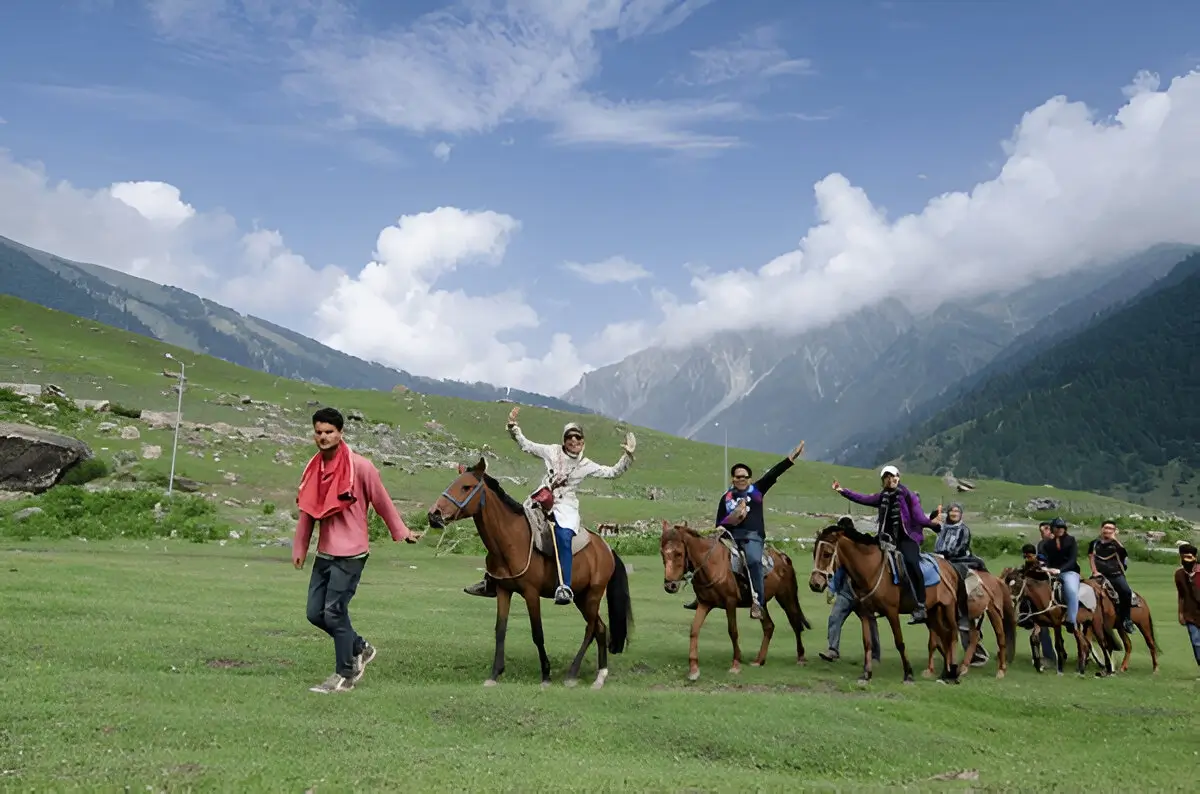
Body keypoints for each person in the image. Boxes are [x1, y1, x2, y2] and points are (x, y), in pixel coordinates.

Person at [292, 407, 422, 694]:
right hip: (325, 552)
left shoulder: (361, 467)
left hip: (352, 553)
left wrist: (402, 531)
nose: (323, 437)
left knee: (335, 613)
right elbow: (307, 512)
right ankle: (360, 647)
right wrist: (300, 547)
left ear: (340, 433)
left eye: (329, 432)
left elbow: (382, 501)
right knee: (315, 613)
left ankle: (345, 673)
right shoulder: (314, 469)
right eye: (319, 432)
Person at [462, 406, 635, 605]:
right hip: (540, 501)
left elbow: (612, 472)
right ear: (564, 440)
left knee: (563, 535)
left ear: (583, 441)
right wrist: (513, 428)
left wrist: (627, 457)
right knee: (508, 528)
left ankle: (565, 587)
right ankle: (490, 580)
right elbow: (527, 445)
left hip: (565, 506)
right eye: (570, 437)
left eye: (577, 438)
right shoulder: (552, 451)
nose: (573, 441)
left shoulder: (586, 464)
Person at [682, 443, 806, 620]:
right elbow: (720, 523)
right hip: (730, 537)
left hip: (752, 537)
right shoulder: (727, 498)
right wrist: (732, 517)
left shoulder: (756, 491)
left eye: (745, 477)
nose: (741, 479)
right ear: (732, 478)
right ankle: (701, 595)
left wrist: (790, 459)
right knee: (702, 555)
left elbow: (772, 474)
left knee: (754, 560)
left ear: (749, 478)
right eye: (738, 476)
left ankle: (758, 602)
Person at [832, 465, 942, 624]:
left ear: (898, 477)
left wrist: (932, 524)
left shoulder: (908, 496)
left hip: (907, 539)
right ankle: (875, 599)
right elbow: (862, 498)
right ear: (883, 481)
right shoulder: (881, 497)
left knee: (912, 563)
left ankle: (920, 605)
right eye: (887, 478)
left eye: (893, 477)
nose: (890, 480)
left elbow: (918, 518)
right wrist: (842, 491)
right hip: (886, 539)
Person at [932, 502, 988, 664]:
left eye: (957, 511)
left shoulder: (964, 529)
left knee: (961, 580)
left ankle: (964, 610)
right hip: (941, 559)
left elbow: (961, 547)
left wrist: (945, 555)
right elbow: (931, 522)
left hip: (959, 560)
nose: (954, 513)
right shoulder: (943, 528)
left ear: (961, 514)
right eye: (952, 511)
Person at [819, 564, 881, 663]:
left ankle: (874, 655)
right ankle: (832, 650)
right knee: (835, 616)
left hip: (864, 594)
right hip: (846, 593)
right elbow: (840, 570)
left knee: (870, 621)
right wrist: (832, 588)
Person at [1087, 520, 1134, 634]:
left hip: (1115, 575)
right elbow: (1091, 557)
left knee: (1126, 592)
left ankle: (1126, 619)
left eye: (1111, 529)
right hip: (1099, 575)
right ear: (1101, 529)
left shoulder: (1116, 544)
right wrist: (1094, 571)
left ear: (1114, 531)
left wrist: (1115, 540)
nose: (1107, 530)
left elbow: (1123, 554)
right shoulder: (1094, 543)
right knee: (1086, 590)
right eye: (1106, 528)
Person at [1040, 517, 1081, 633]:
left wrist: (1060, 570)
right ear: (1053, 529)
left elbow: (1072, 560)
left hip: (1069, 571)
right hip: (1051, 572)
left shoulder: (1071, 540)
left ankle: (1071, 620)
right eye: (1057, 527)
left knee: (1071, 590)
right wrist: (1045, 568)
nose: (1060, 529)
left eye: (1062, 527)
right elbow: (1045, 558)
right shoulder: (1047, 544)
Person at [1175, 543, 1200, 673]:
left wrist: (1193, 578)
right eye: (1183, 557)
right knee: (1196, 643)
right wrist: (1180, 613)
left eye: (1189, 557)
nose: (1186, 560)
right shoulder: (1179, 574)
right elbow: (1181, 595)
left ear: (1195, 558)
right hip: (1190, 613)